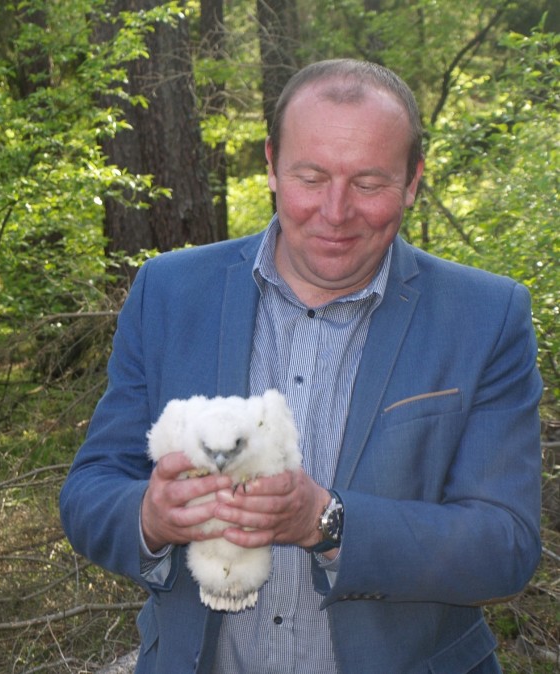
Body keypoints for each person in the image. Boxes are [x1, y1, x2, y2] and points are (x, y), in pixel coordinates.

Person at [59, 59, 543, 674]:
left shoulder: (485, 316)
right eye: (310, 177)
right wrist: (150, 518)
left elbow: (505, 547)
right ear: (270, 165)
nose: (335, 211)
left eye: (368, 183)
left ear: (414, 180)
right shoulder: (170, 292)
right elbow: (89, 489)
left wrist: (327, 520)